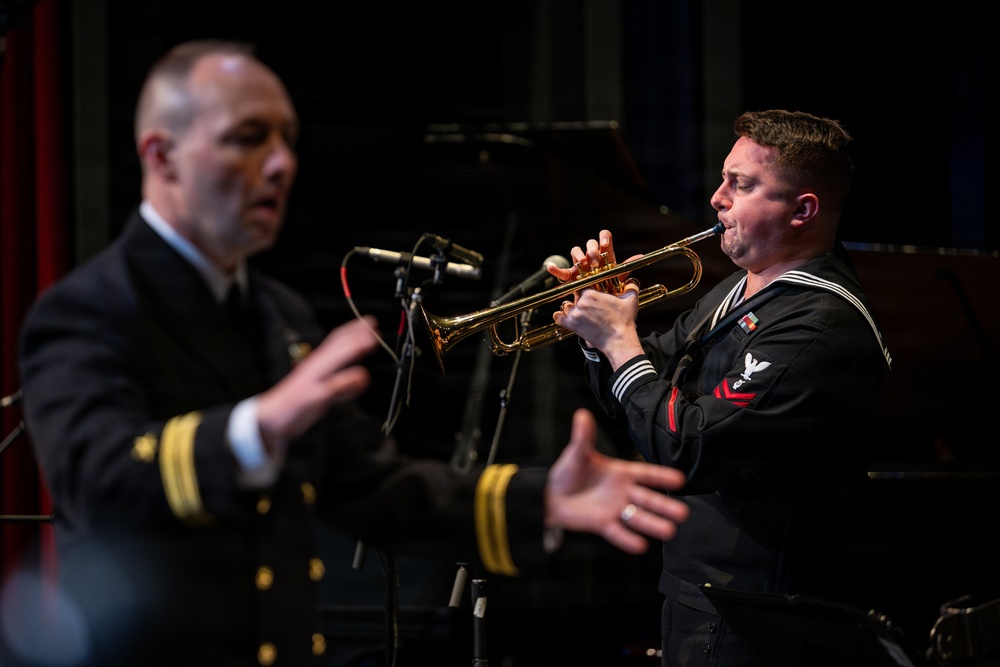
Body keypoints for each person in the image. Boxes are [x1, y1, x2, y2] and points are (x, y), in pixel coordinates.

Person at [9, 40, 691, 667]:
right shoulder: (88, 309)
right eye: (247, 139)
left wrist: (540, 497)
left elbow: (371, 484)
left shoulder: (276, 313)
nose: (280, 162)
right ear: (161, 156)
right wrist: (258, 426)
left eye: (286, 139)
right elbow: (95, 477)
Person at [549, 109, 893, 666]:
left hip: (754, 616)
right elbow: (643, 396)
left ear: (804, 209)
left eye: (742, 184)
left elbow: (684, 444)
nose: (717, 197)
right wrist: (601, 330)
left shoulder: (815, 325)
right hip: (700, 593)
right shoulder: (742, 290)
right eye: (723, 177)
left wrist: (620, 344)